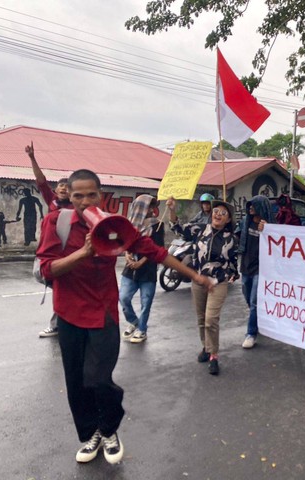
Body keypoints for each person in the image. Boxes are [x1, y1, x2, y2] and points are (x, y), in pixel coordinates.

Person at [36, 170, 212, 465]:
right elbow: (46, 269)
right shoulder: (57, 222)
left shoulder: (115, 225)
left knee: (99, 379)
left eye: (90, 194)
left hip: (104, 313)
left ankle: (109, 428)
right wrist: (83, 253)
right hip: (68, 313)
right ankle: (91, 433)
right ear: (70, 196)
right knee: (77, 383)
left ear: (100, 195)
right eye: (77, 195)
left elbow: (154, 252)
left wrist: (195, 275)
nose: (83, 201)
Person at [168, 197, 239, 375]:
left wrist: (229, 275)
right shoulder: (200, 229)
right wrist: (172, 210)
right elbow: (178, 228)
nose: (218, 215)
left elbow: (233, 264)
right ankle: (206, 348)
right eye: (216, 211)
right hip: (198, 280)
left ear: (228, 219)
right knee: (201, 318)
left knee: (210, 320)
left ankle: (214, 355)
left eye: (223, 213)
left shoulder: (231, 239)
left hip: (217, 283)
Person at [25, 142, 72, 338]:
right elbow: (41, 180)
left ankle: (57, 324)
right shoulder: (51, 200)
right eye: (61, 185)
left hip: (67, 254)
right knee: (40, 275)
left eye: (67, 187)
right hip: (48, 253)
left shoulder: (75, 206)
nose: (63, 188)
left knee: (64, 289)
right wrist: (32, 158)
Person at [119, 195, 164, 344]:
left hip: (148, 269)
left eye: (153, 206)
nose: (151, 210)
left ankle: (142, 330)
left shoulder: (157, 225)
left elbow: (159, 248)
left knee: (146, 302)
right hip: (130, 268)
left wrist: (142, 262)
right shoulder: (129, 224)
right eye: (148, 206)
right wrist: (127, 256)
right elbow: (125, 244)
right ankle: (133, 321)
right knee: (123, 297)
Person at [237, 195, 275, 349]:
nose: (250, 208)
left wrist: (269, 230)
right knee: (247, 295)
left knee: (254, 301)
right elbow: (236, 234)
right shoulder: (246, 221)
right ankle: (257, 317)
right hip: (246, 265)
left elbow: (278, 243)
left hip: (262, 268)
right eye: (249, 205)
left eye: (254, 205)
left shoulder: (270, 225)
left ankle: (251, 334)